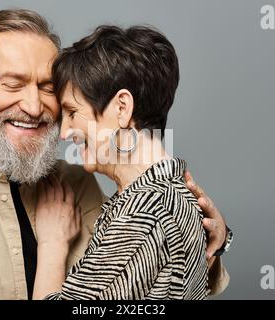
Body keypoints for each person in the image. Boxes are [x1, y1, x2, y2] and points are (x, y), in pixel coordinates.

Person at [0, 9, 230, 300]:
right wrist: (54, 249)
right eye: (12, 84)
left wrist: (206, 246)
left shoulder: (78, 181)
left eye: (47, 88)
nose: (33, 106)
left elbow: (141, 278)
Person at [32, 25, 225, 300]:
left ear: (122, 108)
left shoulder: (141, 215)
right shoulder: (176, 192)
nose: (64, 132)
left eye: (73, 112)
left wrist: (52, 245)